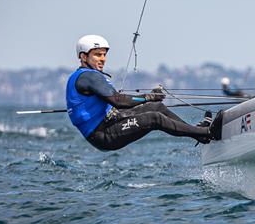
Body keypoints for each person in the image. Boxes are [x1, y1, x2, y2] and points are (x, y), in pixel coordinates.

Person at [66, 35, 223, 151]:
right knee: (153, 118)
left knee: (157, 107)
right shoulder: (87, 76)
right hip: (103, 134)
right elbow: (118, 101)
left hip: (111, 121)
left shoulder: (90, 75)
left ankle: (198, 134)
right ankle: (207, 132)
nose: (102, 59)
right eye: (97, 55)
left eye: (104, 54)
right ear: (83, 56)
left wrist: (151, 99)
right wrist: (148, 97)